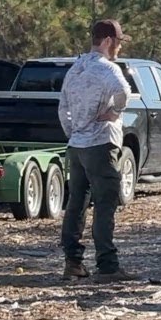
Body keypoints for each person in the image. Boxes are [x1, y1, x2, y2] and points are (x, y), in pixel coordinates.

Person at [58, 19, 138, 283]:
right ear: (107, 42)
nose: (119, 48)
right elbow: (125, 91)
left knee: (76, 202)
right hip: (101, 143)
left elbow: (63, 107)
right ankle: (107, 264)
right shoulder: (108, 69)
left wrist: (73, 132)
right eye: (118, 42)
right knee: (105, 202)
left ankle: (73, 262)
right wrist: (114, 112)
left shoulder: (76, 68)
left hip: (77, 146)